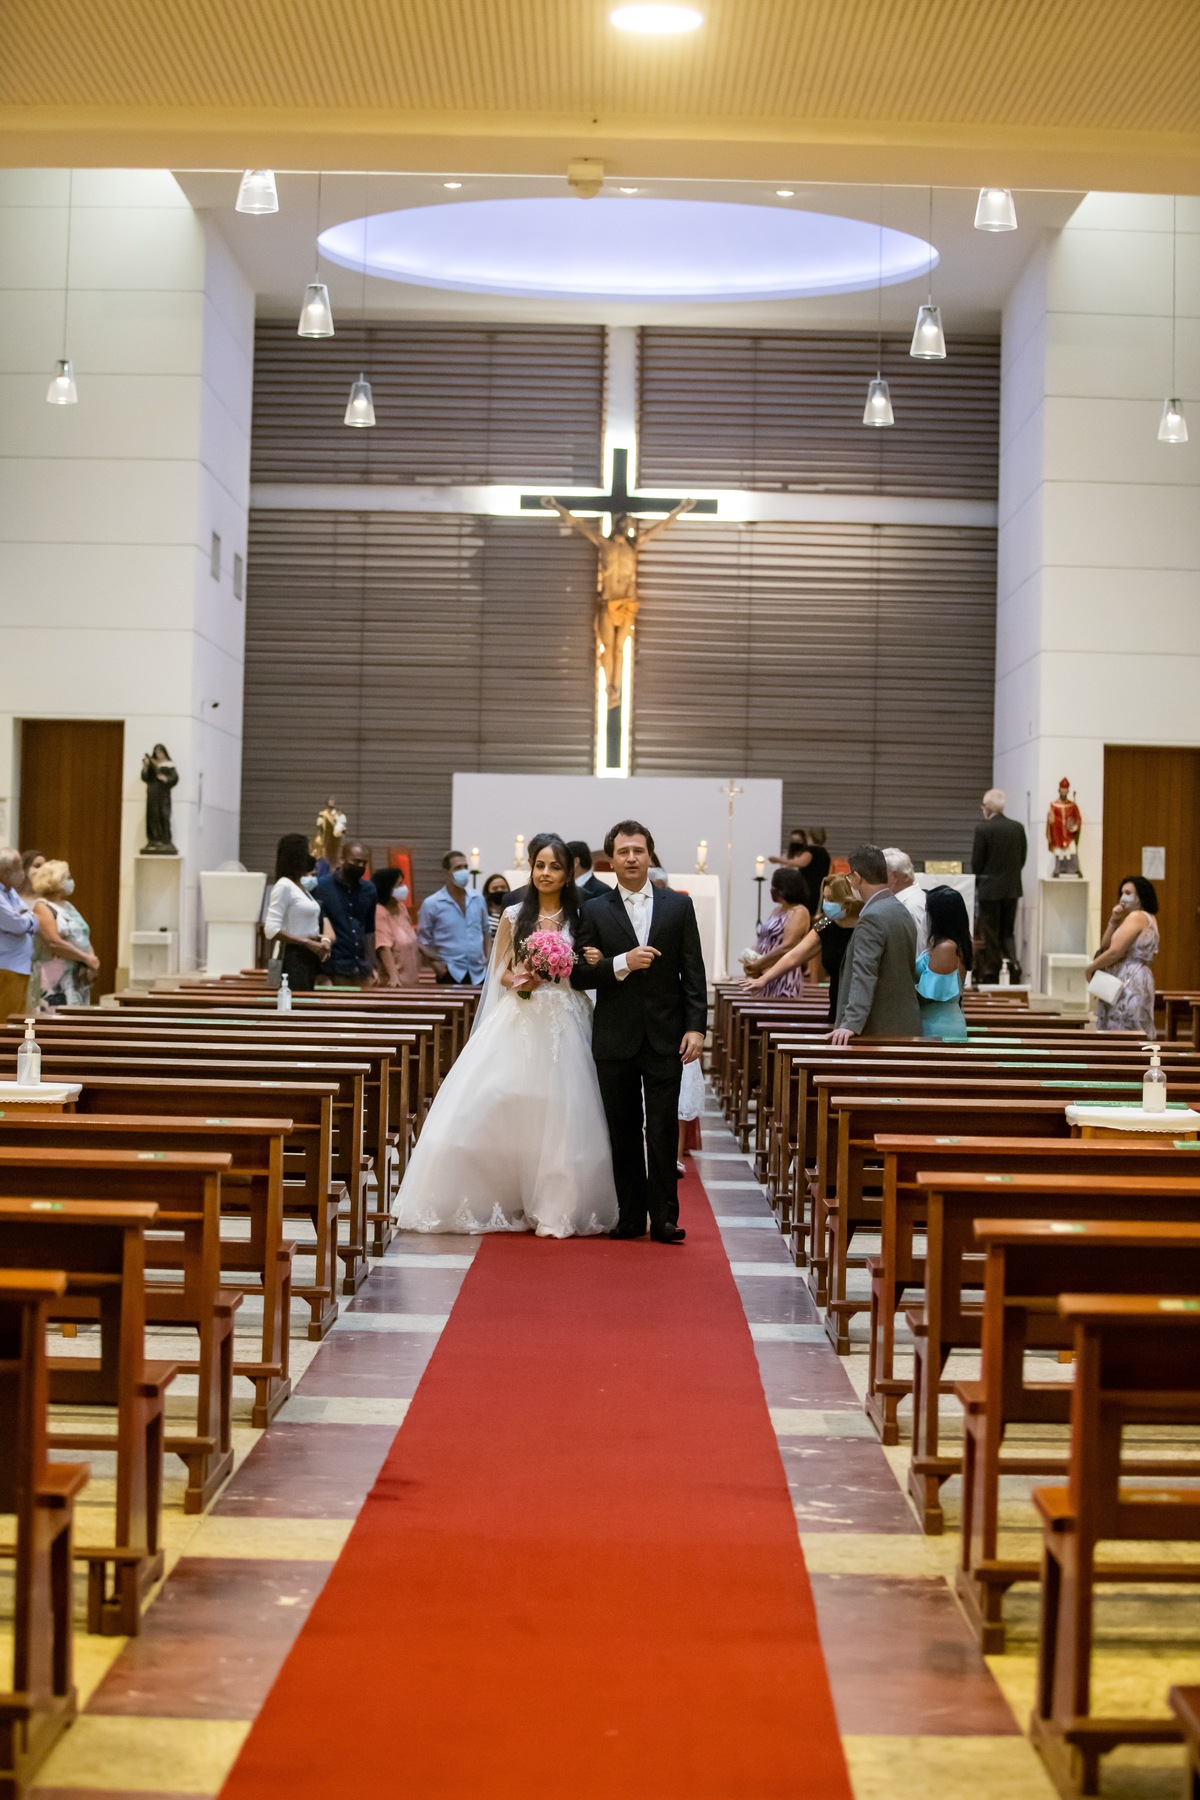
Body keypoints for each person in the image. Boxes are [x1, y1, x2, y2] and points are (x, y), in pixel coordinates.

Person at [394, 833, 617, 1237]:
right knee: (501, 1100)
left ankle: (558, 1202)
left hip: (567, 1015)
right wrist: (520, 979)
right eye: (539, 865)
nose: (545, 873)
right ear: (531, 869)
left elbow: (590, 964)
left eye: (554, 867)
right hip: (523, 1013)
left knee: (565, 1110)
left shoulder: (584, 915)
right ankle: (503, 1191)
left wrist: (582, 963)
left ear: (568, 875)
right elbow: (497, 969)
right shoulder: (515, 914)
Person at [572, 819, 707, 1245]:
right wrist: (621, 962)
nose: (631, 858)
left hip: (666, 1034)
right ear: (610, 860)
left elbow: (693, 974)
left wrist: (697, 1028)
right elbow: (579, 974)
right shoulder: (593, 910)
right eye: (623, 852)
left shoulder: (677, 906)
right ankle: (630, 1215)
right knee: (623, 1128)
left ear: (650, 855)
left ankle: (665, 1218)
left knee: (664, 1128)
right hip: (615, 1035)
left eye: (639, 851)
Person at [829, 844, 921, 1044]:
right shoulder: (900, 909)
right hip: (902, 1022)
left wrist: (851, 1022)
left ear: (856, 877)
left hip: (876, 1028)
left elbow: (864, 972)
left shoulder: (870, 916)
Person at [743, 872, 860, 1022]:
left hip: (859, 1005)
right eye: (824, 898)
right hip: (836, 1005)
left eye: (831, 900)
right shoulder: (826, 922)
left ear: (847, 901)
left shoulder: (866, 924)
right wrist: (764, 979)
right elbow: (794, 956)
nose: (826, 904)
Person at [1087, 874, 1160, 1036]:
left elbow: (1114, 952)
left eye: (1128, 893)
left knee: (1123, 1028)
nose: (1122, 897)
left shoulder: (1137, 916)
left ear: (1140, 897)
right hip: (1136, 975)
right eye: (1121, 893)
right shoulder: (1143, 918)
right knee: (1128, 1026)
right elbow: (1105, 946)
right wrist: (1113, 920)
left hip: (1129, 979)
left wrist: (1091, 967)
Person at [27, 859, 100, 1009]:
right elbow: (53, 942)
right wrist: (86, 958)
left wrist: (91, 961)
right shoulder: (42, 906)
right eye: (67, 877)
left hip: (76, 978)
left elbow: (83, 933)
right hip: (55, 977)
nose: (71, 881)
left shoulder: (67, 906)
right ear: (55, 880)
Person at [971, 788, 1027, 984]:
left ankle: (991, 973)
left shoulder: (983, 829)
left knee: (991, 933)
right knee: (1008, 931)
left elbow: (977, 863)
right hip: (1012, 888)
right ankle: (1013, 966)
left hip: (989, 890)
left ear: (987, 808)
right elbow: (1022, 859)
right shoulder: (1018, 828)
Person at [264, 833, 331, 992]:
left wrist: (322, 941)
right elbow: (271, 930)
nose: (312, 856)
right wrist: (308, 942)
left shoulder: (300, 887)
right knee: (298, 1005)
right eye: (308, 852)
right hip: (293, 956)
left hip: (308, 955)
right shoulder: (284, 886)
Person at [417, 851, 488, 985]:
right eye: (458, 868)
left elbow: (486, 930)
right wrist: (437, 966)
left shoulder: (477, 898)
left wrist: (488, 959)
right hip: (450, 970)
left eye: (465, 867)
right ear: (446, 872)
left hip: (478, 971)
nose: (464, 871)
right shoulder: (432, 903)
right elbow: (422, 940)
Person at [314, 840, 377, 988]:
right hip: (333, 969)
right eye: (356, 861)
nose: (360, 866)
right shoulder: (321, 886)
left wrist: (373, 965)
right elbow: (314, 928)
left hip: (362, 969)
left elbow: (369, 930)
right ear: (342, 859)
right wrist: (318, 973)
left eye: (364, 863)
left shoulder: (369, 890)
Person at [740, 867, 811, 997]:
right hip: (763, 973)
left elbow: (787, 946)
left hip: (782, 974)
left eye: (775, 887)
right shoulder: (776, 910)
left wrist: (759, 964)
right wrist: (750, 958)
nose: (772, 890)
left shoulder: (799, 911)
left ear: (786, 889)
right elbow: (764, 938)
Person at [916, 884, 972, 1041]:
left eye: (927, 910)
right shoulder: (944, 944)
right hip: (934, 1022)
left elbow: (929, 995)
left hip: (938, 1027)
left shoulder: (946, 948)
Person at [0, 847, 40, 1021]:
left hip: (18, 967)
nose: (23, 874)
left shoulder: (10, 892)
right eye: (19, 868)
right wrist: (27, 918)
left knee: (17, 1019)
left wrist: (27, 918)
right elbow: (17, 924)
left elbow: (31, 917)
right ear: (7, 871)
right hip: (7, 968)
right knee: (6, 1021)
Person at [373, 866, 421, 986]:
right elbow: (383, 947)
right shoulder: (379, 911)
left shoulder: (400, 906)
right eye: (399, 885)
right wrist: (394, 977)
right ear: (387, 888)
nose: (404, 888)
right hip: (395, 981)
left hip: (411, 978)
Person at [883, 848, 929, 953]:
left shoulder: (910, 907)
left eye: (881, 875)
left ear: (896, 876)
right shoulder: (909, 901)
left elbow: (917, 951)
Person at [482, 873, 511, 938]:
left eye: (503, 887)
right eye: (495, 888)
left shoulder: (513, 911)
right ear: (487, 891)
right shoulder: (483, 912)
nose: (499, 890)